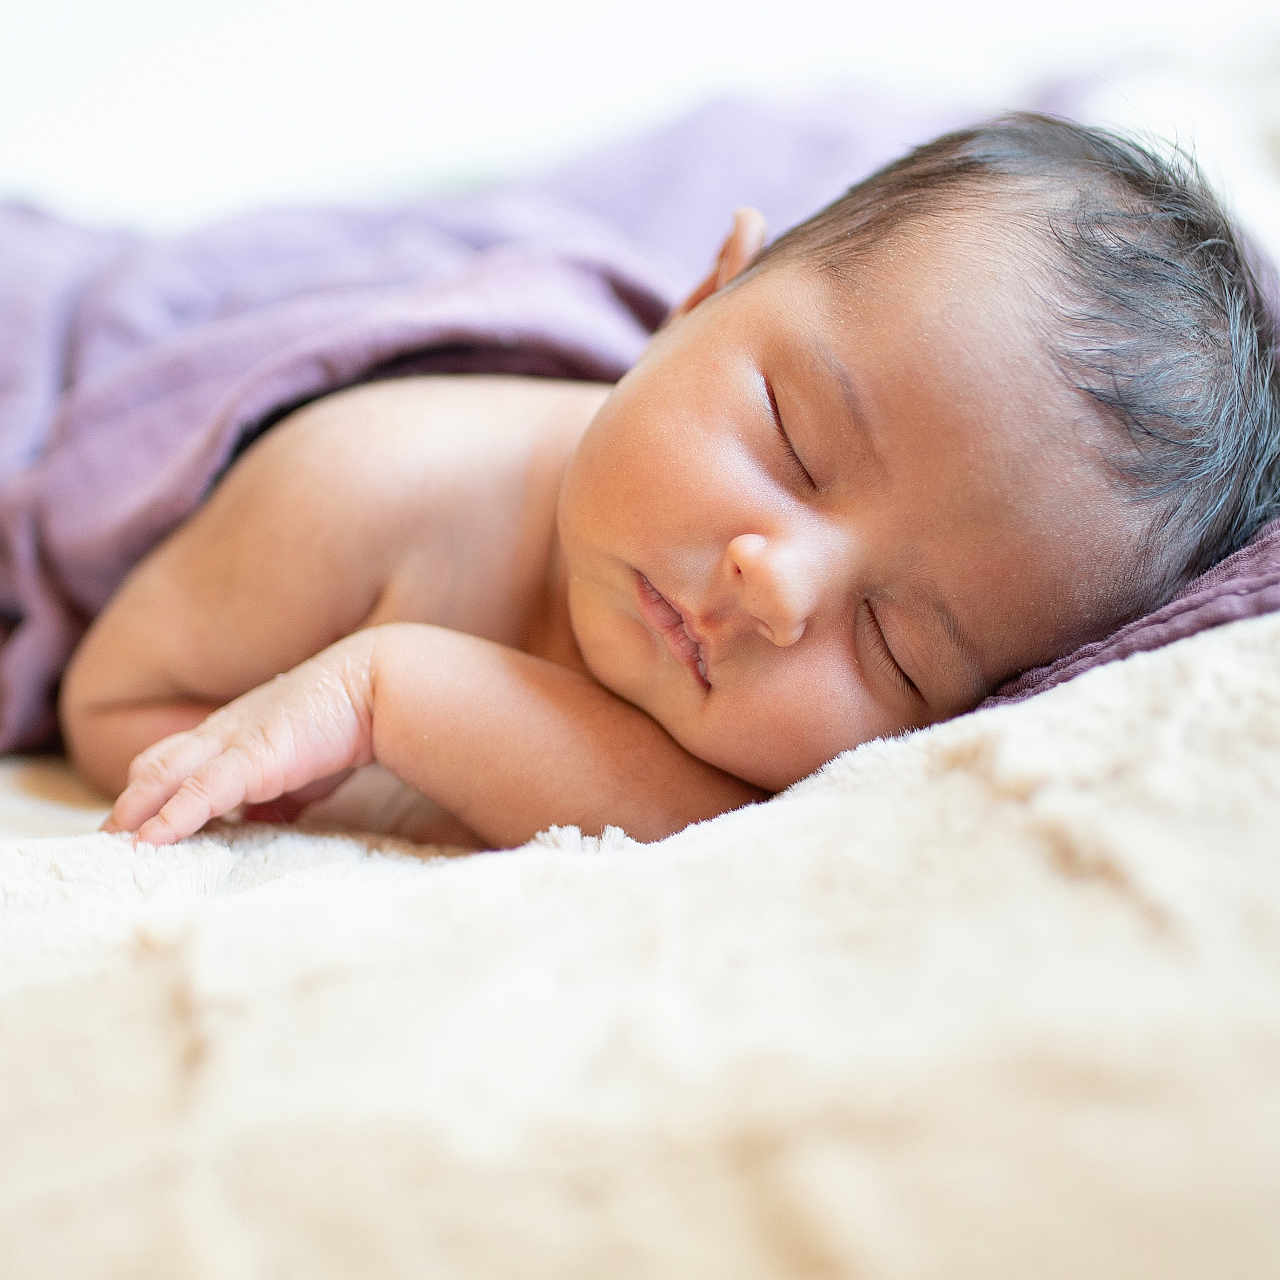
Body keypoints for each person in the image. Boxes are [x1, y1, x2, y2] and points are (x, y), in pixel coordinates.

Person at [63, 112, 1278, 849]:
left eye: (897, 649)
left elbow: (714, 823)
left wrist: (417, 701)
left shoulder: (758, 739)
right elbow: (109, 694)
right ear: (702, 293)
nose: (776, 581)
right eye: (790, 440)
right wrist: (337, 754)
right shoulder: (364, 484)